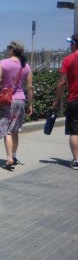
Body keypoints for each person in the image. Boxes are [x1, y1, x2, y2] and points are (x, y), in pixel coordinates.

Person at [0, 40, 33, 170]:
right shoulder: (26, 66)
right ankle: (14, 156)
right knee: (15, 129)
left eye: (7, 48)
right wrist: (30, 104)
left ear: (11, 49)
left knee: (7, 130)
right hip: (21, 100)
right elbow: (30, 87)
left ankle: (9, 157)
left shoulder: (3, 63)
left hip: (8, 100)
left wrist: (3, 84)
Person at [52, 33, 78, 170]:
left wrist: (56, 100)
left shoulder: (68, 59)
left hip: (74, 99)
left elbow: (62, 82)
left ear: (74, 44)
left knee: (74, 131)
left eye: (70, 43)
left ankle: (76, 160)